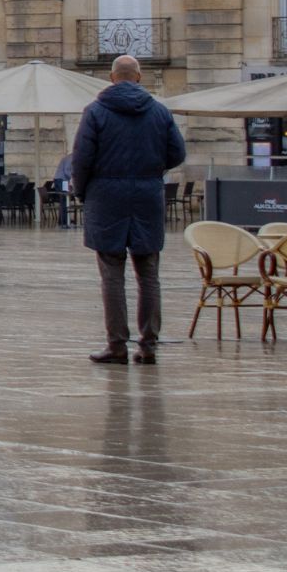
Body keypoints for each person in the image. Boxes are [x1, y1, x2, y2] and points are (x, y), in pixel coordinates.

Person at [71, 55, 187, 365]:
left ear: (111, 78)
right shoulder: (160, 112)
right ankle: (148, 345)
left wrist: (82, 190)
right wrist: (150, 168)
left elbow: (81, 159)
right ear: (138, 76)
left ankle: (117, 345)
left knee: (112, 274)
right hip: (147, 195)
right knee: (149, 274)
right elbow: (177, 152)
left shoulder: (95, 112)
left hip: (106, 196)